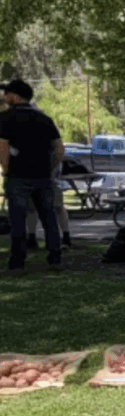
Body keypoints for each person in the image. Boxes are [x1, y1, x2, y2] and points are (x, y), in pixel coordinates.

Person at [0, 78, 64, 271]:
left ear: (13, 96)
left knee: (18, 218)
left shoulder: (6, 118)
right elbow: (59, 149)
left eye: (6, 95)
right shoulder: (44, 118)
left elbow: (2, 147)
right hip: (43, 175)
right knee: (49, 217)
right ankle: (55, 256)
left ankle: (18, 259)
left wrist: (5, 168)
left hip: (18, 175)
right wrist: (51, 168)